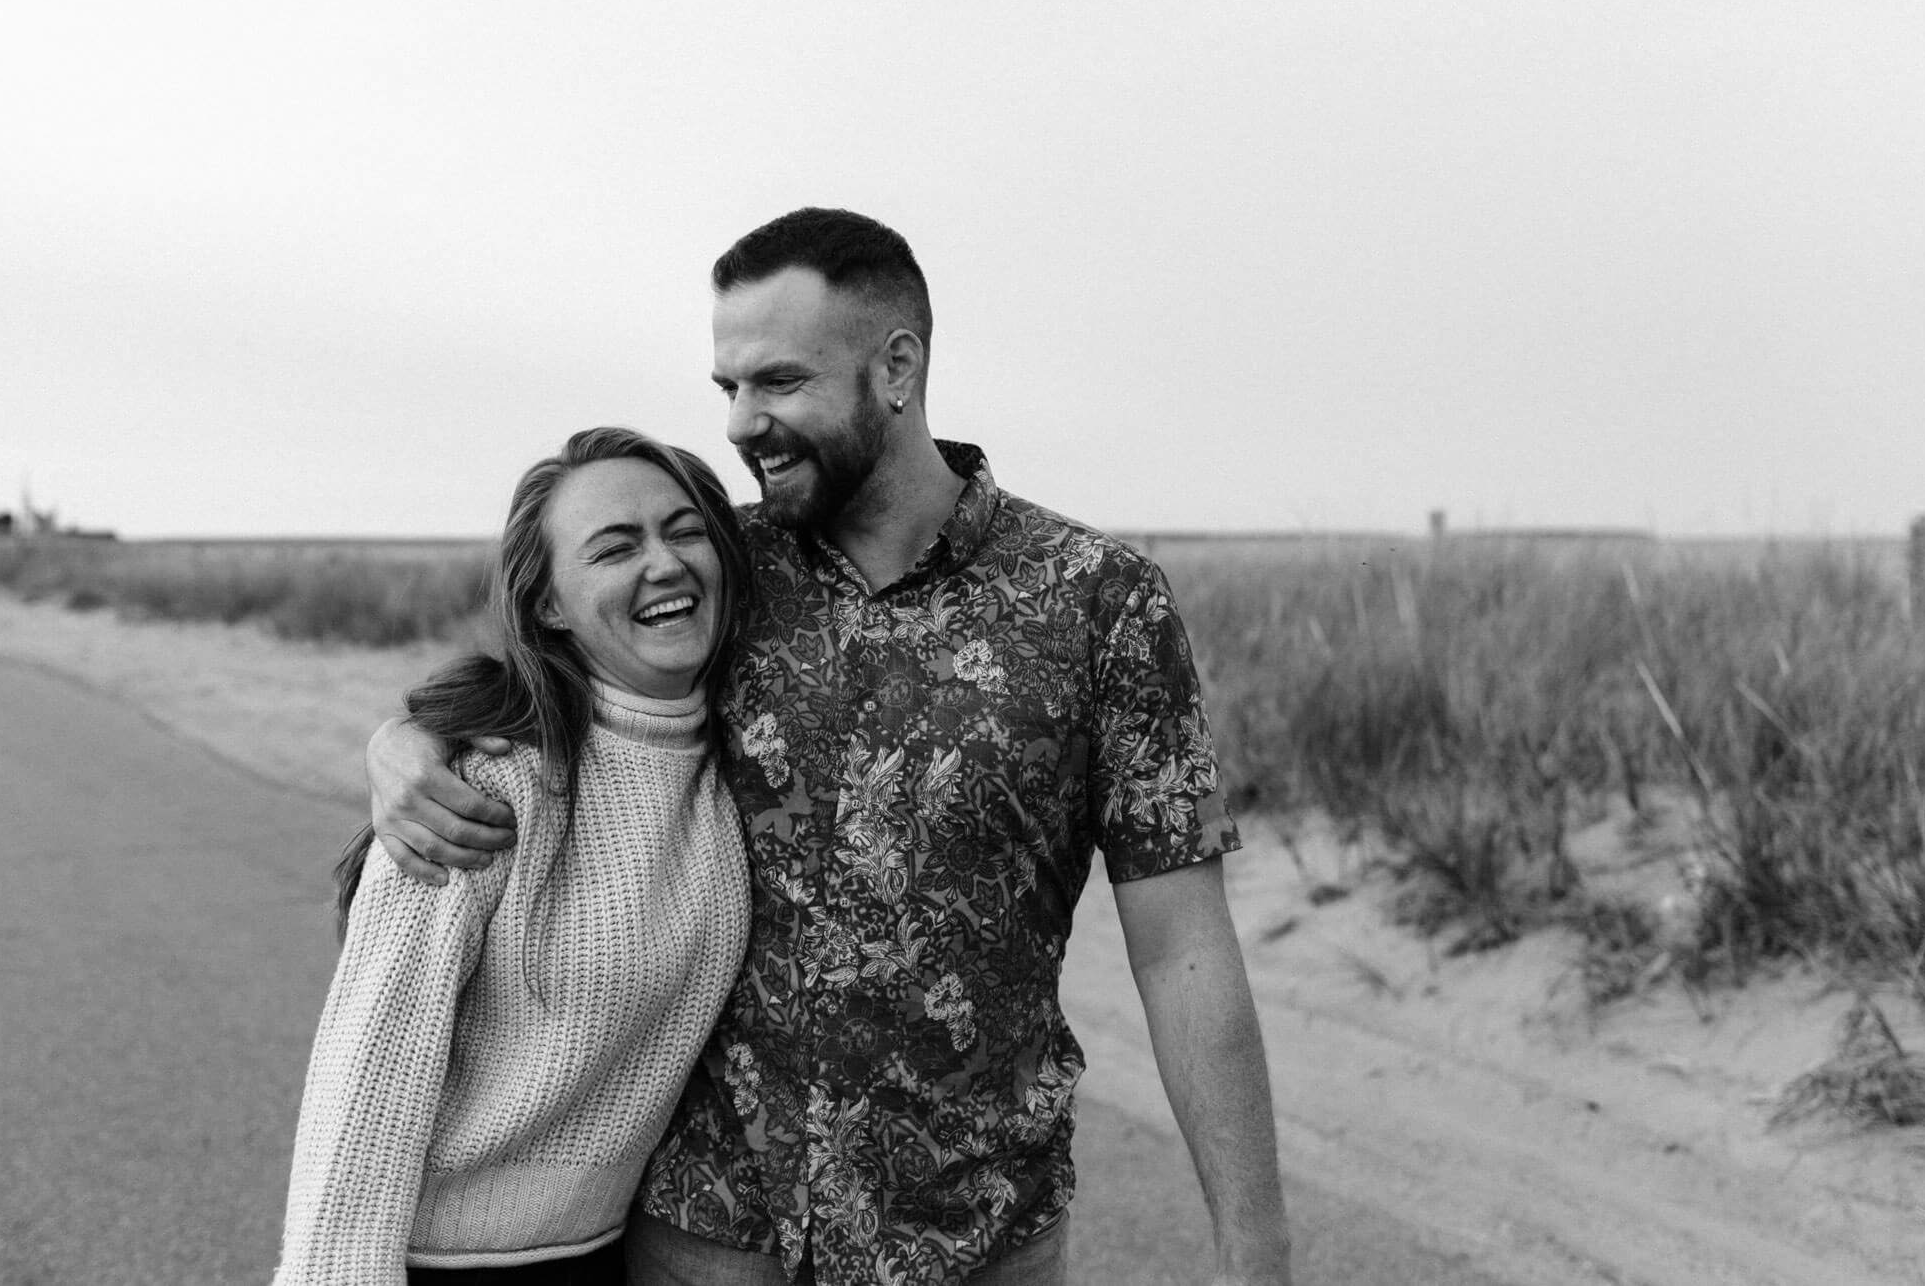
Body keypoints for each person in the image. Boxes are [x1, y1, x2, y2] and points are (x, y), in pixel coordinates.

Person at [368, 209, 1293, 1285]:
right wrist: (399, 739)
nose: (743, 423)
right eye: (728, 389)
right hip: (703, 1236)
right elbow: (533, 681)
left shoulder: (1097, 604)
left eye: (780, 382)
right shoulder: (714, 575)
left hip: (974, 1238)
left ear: (895, 366)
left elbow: (1182, 948)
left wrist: (1254, 1251)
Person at [277, 427, 755, 1285]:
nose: (664, 563)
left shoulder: (737, 761)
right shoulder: (480, 792)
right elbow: (366, 1082)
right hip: (446, 1261)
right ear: (550, 606)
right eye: (614, 548)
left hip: (606, 1254)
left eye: (684, 531)